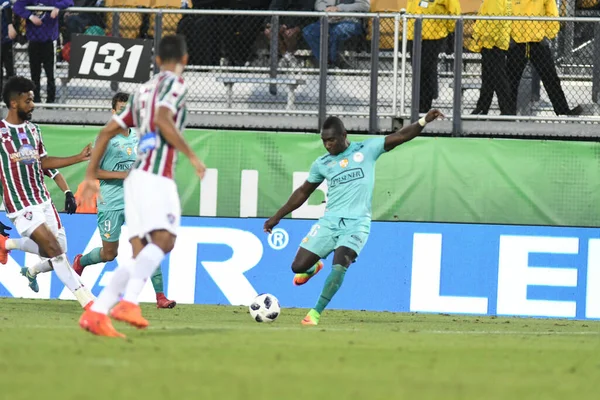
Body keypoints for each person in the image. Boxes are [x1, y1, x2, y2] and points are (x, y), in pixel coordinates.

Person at [264, 108, 443, 326]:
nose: (327, 145)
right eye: (324, 141)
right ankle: (313, 267)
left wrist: (424, 120)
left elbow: (401, 136)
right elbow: (303, 192)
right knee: (297, 267)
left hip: (357, 225)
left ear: (343, 136)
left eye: (331, 140)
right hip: (329, 223)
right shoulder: (322, 163)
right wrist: (277, 216)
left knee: (340, 265)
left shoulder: (366, 149)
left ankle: (315, 313)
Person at [78, 35, 206, 338]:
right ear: (185, 60)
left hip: (133, 182)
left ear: (157, 60)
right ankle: (128, 304)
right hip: (156, 178)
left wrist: (88, 174)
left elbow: (109, 130)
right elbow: (163, 118)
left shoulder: (142, 92)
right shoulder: (176, 85)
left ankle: (98, 313)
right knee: (165, 241)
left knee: (142, 252)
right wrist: (190, 154)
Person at [72, 92, 177, 310]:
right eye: (120, 109)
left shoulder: (139, 136)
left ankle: (160, 297)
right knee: (109, 254)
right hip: (110, 202)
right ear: (113, 111)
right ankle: (81, 261)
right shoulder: (105, 138)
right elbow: (93, 172)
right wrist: (123, 175)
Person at [0, 76, 95, 308]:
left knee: (57, 249)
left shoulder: (34, 130)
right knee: (54, 250)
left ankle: (6, 245)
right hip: (20, 204)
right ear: (14, 103)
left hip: (43, 200)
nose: (33, 105)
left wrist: (78, 158)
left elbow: (44, 163)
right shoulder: (1, 133)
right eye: (28, 101)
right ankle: (90, 302)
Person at [406, 0, 461, 113]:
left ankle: (425, 102)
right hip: (414, 34)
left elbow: (454, 10)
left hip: (434, 35)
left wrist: (448, 29)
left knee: (426, 68)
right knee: (417, 69)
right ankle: (419, 102)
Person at [468, 0, 512, 115]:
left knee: (498, 78)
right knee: (489, 78)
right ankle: (483, 106)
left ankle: (506, 110)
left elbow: (494, 21)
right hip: (495, 43)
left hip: (492, 44)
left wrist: (484, 37)